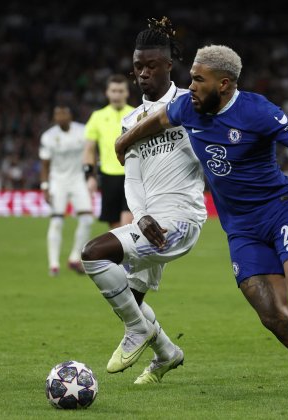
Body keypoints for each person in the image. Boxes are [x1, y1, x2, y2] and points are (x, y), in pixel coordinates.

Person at [115, 44, 288, 400]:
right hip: (241, 228)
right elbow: (158, 119)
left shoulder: (256, 111)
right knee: (274, 317)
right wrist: (124, 141)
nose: (190, 85)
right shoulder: (188, 107)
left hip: (280, 209)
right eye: (191, 77)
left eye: (199, 79)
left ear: (224, 84)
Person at [81, 17, 206, 384]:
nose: (144, 73)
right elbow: (131, 177)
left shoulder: (190, 105)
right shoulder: (131, 120)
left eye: (152, 65)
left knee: (93, 253)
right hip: (149, 222)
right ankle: (167, 353)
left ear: (169, 65)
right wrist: (140, 215)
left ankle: (139, 332)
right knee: (129, 298)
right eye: (138, 67)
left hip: (181, 221)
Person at [39, 105, 94, 276]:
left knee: (87, 219)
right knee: (56, 221)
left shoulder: (83, 131)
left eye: (63, 114)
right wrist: (45, 187)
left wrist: (92, 176)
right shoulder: (48, 137)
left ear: (70, 116)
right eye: (57, 115)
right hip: (58, 181)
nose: (60, 117)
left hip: (78, 179)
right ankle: (53, 264)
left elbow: (91, 153)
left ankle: (74, 257)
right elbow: (45, 165)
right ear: (54, 118)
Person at [84, 74, 135, 228]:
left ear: (127, 93)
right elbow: (89, 149)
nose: (117, 95)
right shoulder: (97, 117)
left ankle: (129, 250)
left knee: (127, 223)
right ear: (107, 92)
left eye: (120, 91)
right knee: (114, 227)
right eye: (114, 91)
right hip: (108, 177)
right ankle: (122, 252)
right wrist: (89, 176)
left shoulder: (136, 114)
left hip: (132, 175)